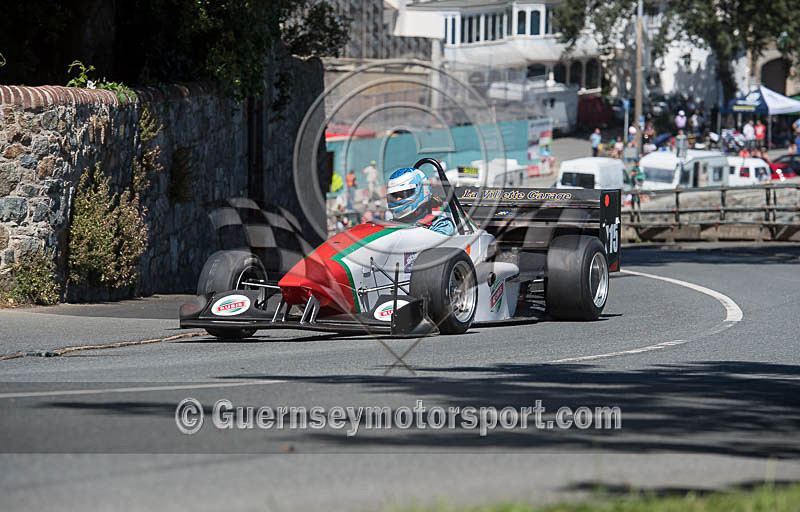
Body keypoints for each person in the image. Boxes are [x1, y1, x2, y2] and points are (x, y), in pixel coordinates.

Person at [386, 167, 455, 236]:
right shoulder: (391, 224)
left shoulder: (441, 224)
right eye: (394, 196)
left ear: (422, 191)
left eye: (403, 194)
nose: (398, 199)